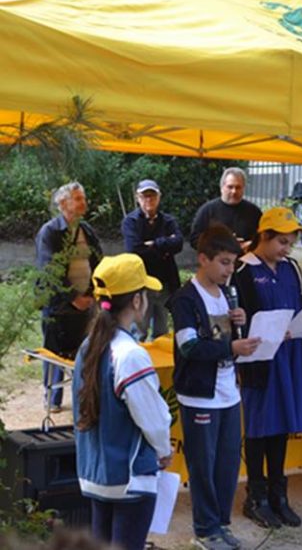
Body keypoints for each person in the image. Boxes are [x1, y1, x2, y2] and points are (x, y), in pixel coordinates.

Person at [72, 253, 172, 550]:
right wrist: (164, 449)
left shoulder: (88, 345)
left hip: (94, 474)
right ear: (138, 300)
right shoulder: (130, 353)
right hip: (129, 477)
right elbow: (151, 418)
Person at [169, 224, 261, 550]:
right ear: (203, 259)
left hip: (228, 393)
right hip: (199, 395)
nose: (229, 270)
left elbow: (228, 341)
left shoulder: (228, 292)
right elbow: (189, 348)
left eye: (233, 263)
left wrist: (240, 324)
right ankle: (205, 530)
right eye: (223, 262)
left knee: (227, 464)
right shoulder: (185, 299)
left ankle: (221, 524)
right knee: (203, 466)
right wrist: (231, 348)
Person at [234, 208, 302, 529]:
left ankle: (278, 493)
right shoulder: (243, 270)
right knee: (259, 426)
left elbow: (298, 305)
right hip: (260, 360)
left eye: (291, 242)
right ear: (264, 236)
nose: (287, 249)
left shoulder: (293, 267)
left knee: (281, 423)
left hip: (290, 355)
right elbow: (240, 319)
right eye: (282, 241)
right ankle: (256, 497)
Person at [35, 181, 103, 412]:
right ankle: (53, 398)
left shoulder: (88, 231)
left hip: (87, 301)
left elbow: (99, 263)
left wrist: (93, 294)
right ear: (63, 203)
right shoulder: (50, 232)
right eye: (78, 198)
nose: (84, 202)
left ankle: (83, 397)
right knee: (54, 351)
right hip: (59, 304)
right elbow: (49, 270)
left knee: (84, 350)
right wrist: (73, 297)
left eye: (83, 198)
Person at [121, 179, 183, 340]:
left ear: (159, 197)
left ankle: (158, 364)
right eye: (144, 196)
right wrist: (164, 249)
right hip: (141, 285)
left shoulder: (168, 221)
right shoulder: (131, 222)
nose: (149, 200)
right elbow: (134, 250)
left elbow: (178, 244)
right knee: (139, 332)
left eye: (152, 196)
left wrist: (154, 244)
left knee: (161, 332)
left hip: (164, 284)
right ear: (137, 198)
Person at [189, 167, 262, 250]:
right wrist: (222, 245)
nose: (234, 191)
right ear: (222, 188)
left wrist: (249, 244)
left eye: (238, 187)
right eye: (230, 187)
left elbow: (263, 238)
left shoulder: (254, 212)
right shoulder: (207, 211)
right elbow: (194, 239)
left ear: (243, 188)